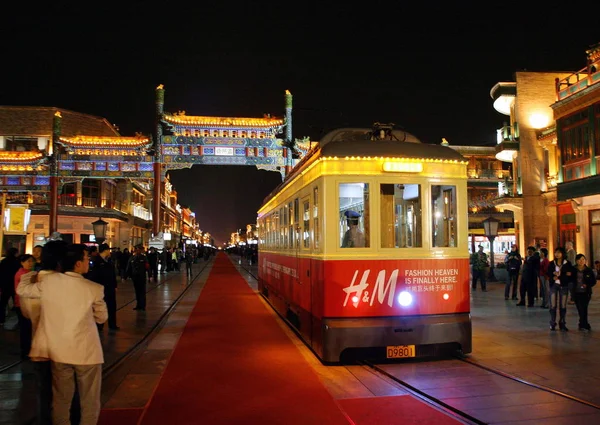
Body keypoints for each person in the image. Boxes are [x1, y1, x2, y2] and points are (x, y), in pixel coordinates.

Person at [17, 240, 69, 425]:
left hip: (39, 345)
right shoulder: (66, 283)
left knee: (43, 391)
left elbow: (26, 312)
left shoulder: (30, 281)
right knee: (65, 393)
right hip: (63, 346)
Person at [86, 243, 119, 331]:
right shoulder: (96, 261)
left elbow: (112, 274)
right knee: (100, 307)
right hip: (101, 288)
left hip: (110, 288)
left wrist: (115, 285)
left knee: (112, 306)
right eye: (108, 250)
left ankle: (112, 324)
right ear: (105, 250)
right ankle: (99, 325)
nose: (110, 251)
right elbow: (93, 276)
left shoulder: (109, 260)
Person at [546, 246, 574, 331]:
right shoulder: (551, 263)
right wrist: (552, 276)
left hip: (563, 285)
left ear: (563, 254)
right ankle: (552, 322)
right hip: (554, 285)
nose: (557, 254)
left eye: (559, 252)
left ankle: (562, 323)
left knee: (563, 305)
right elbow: (548, 273)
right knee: (553, 305)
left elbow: (570, 274)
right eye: (556, 253)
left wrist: (562, 275)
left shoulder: (567, 263)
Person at [14, 254, 35, 358]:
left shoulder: (26, 273)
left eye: (32, 261)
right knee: (25, 327)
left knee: (26, 327)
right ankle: (26, 350)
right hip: (22, 304)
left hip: (24, 303)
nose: (30, 263)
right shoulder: (23, 274)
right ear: (22, 262)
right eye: (28, 261)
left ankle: (26, 349)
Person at [572, 253, 595, 331]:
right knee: (579, 308)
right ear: (576, 261)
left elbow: (593, 281)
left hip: (586, 292)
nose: (581, 261)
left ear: (585, 261)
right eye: (579, 260)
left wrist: (587, 285)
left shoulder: (588, 270)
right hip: (576, 292)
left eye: (583, 259)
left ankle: (584, 324)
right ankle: (583, 324)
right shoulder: (573, 269)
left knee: (584, 309)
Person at [0, 247, 21, 326]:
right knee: (17, 303)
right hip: (15, 285)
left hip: (5, 285)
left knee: (3, 303)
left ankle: (1, 320)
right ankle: (19, 320)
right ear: (15, 253)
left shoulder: (3, 261)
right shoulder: (17, 262)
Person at [127, 244, 148, 311]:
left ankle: (142, 306)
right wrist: (125, 276)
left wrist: (150, 275)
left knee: (142, 292)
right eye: (136, 249)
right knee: (137, 292)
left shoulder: (144, 258)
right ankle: (138, 305)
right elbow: (128, 267)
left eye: (138, 249)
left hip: (142, 277)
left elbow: (147, 266)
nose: (137, 250)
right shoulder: (132, 258)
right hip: (135, 277)